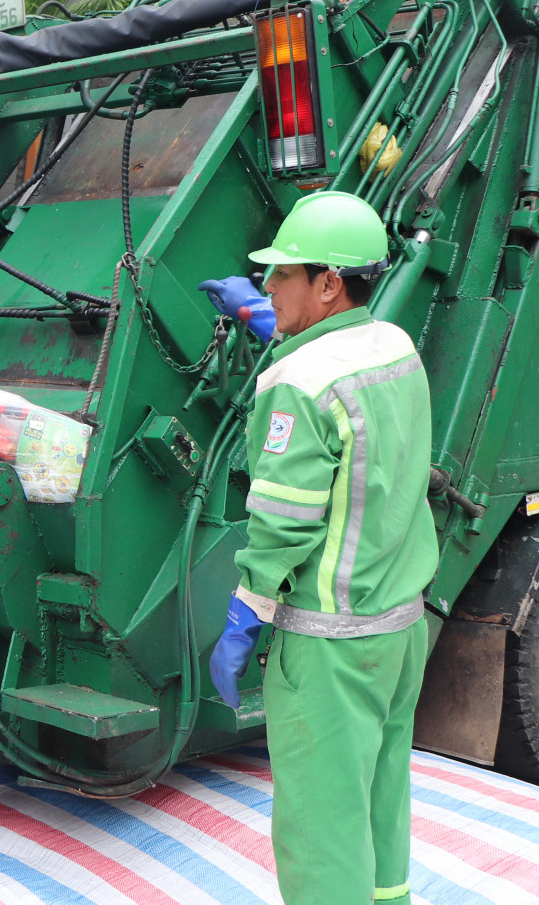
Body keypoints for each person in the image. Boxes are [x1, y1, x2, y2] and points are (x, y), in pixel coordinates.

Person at [207, 191, 434, 905]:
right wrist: (272, 324)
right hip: (398, 627)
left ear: (329, 283)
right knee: (379, 798)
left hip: (330, 645)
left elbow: (283, 522)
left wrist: (244, 616)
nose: (269, 287)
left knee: (319, 830)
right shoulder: (393, 346)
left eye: (282, 276)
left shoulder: (296, 385)